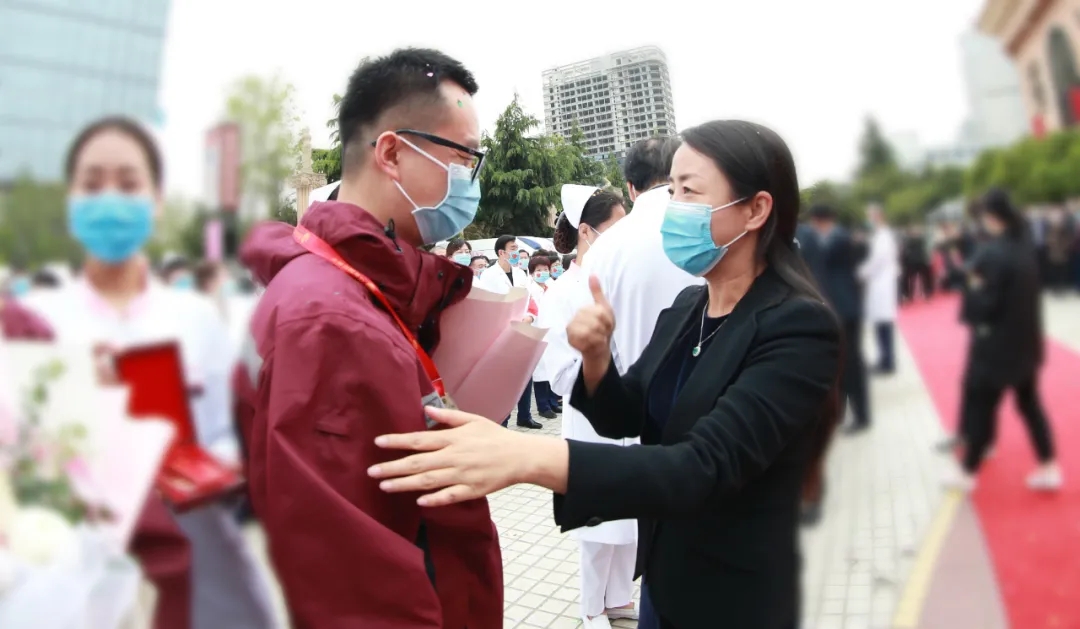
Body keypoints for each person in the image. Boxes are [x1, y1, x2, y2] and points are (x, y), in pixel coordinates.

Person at [370, 120, 843, 629]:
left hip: (736, 595)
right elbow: (628, 413)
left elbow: (702, 466)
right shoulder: (690, 308)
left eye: (690, 192)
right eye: (671, 190)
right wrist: (596, 359)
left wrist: (527, 456)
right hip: (666, 579)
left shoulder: (797, 327)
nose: (673, 208)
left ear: (756, 209)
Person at [236, 48, 503, 628]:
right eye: (463, 156)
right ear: (391, 153)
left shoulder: (353, 288)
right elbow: (347, 580)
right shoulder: (331, 317)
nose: (470, 178)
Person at [23, 116, 273, 629]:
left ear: (156, 201)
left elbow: (223, 436)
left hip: (184, 559)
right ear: (71, 200)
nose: (110, 199)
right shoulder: (38, 322)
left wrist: (204, 471)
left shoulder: (195, 319)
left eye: (128, 183)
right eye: (92, 184)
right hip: (64, 576)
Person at [538, 184, 635, 628]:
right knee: (598, 523)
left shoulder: (623, 278)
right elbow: (559, 372)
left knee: (631, 515)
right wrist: (600, 361)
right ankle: (592, 608)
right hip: (588, 420)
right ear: (586, 232)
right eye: (615, 229)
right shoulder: (562, 292)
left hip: (630, 412)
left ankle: (620, 598)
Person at [943, 189, 1062, 491]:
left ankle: (966, 472)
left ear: (991, 217)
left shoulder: (994, 253)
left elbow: (984, 304)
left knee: (981, 407)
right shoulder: (1024, 246)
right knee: (1030, 405)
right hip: (1025, 341)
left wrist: (970, 287)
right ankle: (1049, 466)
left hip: (996, 346)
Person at [582, 137, 703, 377]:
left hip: (642, 390)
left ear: (630, 188)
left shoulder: (601, 250)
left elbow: (603, 347)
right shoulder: (712, 226)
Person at [799, 204, 871, 435]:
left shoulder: (841, 239)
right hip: (833, 308)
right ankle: (840, 411)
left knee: (851, 363)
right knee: (837, 362)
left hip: (845, 309)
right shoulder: (820, 240)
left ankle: (861, 415)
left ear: (818, 221)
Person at [477, 234, 542, 429]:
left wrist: (530, 317)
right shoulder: (489, 275)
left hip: (522, 330)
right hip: (501, 334)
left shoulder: (521, 274)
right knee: (504, 380)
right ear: (501, 252)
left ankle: (525, 415)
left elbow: (530, 300)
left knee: (525, 374)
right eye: (512, 249)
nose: (516, 252)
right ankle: (502, 421)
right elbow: (487, 306)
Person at [858, 205, 899, 375]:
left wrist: (861, 273)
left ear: (879, 216)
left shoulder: (883, 236)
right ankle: (884, 358)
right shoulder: (879, 235)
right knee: (880, 324)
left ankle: (887, 361)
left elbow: (877, 261)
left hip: (882, 283)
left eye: (871, 216)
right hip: (878, 283)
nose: (870, 219)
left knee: (883, 325)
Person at [527, 254, 560, 420]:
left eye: (545, 269)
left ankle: (552, 401)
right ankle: (543, 406)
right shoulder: (530, 290)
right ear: (532, 272)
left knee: (550, 369)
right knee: (540, 372)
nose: (543, 272)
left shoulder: (551, 286)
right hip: (537, 333)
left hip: (551, 333)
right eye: (538, 270)